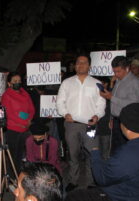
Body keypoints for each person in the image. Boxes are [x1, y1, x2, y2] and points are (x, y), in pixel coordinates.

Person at [81, 103, 139, 201]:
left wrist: (95, 152)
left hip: (132, 196)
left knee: (74, 196)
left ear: (128, 129)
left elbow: (102, 178)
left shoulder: (129, 155)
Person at [56, 53, 106, 191]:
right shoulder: (67, 83)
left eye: (84, 62)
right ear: (75, 65)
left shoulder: (97, 83)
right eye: (78, 62)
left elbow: (101, 103)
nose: (81, 64)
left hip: (90, 126)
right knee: (73, 154)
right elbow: (60, 101)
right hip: (71, 125)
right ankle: (73, 180)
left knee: (92, 153)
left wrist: (97, 116)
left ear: (89, 66)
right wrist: (65, 113)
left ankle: (91, 181)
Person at [100, 56, 139, 153]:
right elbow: (115, 103)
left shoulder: (134, 83)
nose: (116, 74)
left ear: (127, 68)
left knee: (124, 150)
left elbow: (133, 104)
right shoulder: (119, 81)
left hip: (127, 122)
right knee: (116, 149)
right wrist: (112, 117)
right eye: (114, 71)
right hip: (116, 121)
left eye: (118, 71)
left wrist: (111, 97)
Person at [1, 72, 35, 175]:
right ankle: (12, 176)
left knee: (21, 154)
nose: (18, 83)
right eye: (15, 81)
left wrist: (28, 120)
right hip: (13, 129)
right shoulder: (6, 95)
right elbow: (9, 113)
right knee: (14, 155)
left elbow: (31, 109)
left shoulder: (24, 93)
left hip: (25, 128)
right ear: (9, 83)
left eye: (19, 81)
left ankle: (19, 174)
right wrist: (24, 121)